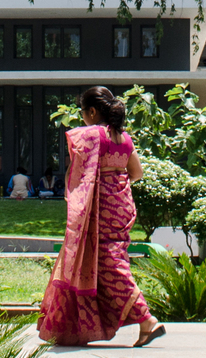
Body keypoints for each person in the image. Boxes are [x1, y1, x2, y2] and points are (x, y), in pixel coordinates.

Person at [38, 85, 163, 348]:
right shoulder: (124, 138)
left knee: (108, 264)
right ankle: (141, 322)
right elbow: (136, 173)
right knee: (113, 260)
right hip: (123, 207)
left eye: (83, 112)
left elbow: (78, 159)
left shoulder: (94, 135)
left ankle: (147, 320)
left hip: (102, 209)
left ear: (92, 112)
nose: (83, 117)